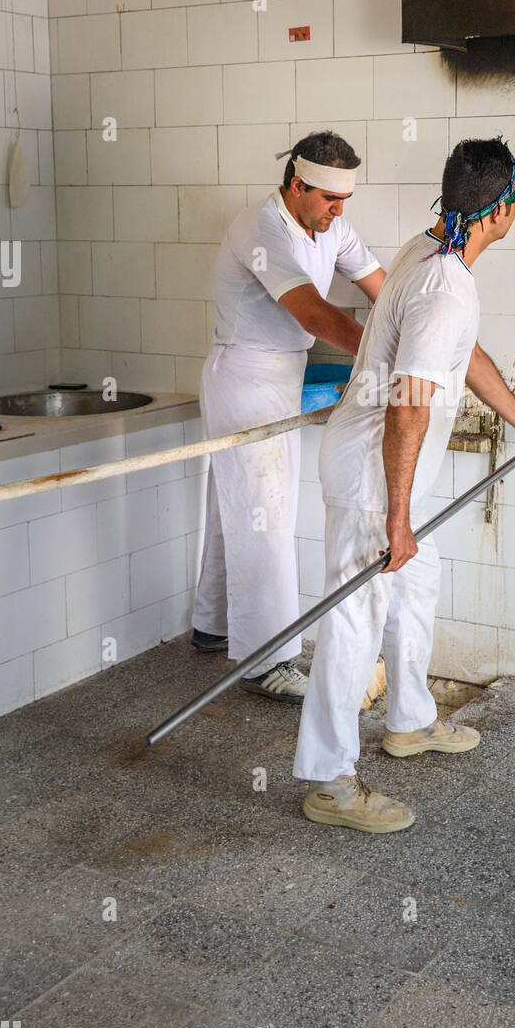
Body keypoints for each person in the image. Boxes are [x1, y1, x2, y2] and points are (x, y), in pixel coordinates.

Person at [293, 137, 515, 830]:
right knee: (354, 617)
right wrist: (397, 519)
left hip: (381, 472)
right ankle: (330, 780)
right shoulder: (444, 284)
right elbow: (409, 405)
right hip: (369, 477)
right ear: (500, 211)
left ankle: (409, 721)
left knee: (418, 582)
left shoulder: (430, 250)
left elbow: (461, 353)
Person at [191, 131, 386, 704]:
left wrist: (415, 318)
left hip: (281, 373)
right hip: (245, 376)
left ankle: (213, 624)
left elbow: (381, 287)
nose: (339, 211)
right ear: (297, 185)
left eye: (345, 199)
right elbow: (317, 315)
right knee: (263, 514)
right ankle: (266, 660)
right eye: (329, 198)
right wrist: (389, 353)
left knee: (231, 505)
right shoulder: (261, 230)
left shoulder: (331, 225)